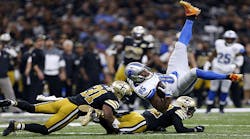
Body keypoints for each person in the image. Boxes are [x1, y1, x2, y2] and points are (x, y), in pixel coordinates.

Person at [124, 1, 243, 113]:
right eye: (143, 73)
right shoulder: (143, 88)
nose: (146, 71)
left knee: (179, 45)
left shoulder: (134, 78)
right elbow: (161, 108)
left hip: (173, 74)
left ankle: (191, 16)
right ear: (138, 78)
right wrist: (168, 94)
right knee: (194, 71)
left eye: (144, 70)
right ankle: (229, 77)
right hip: (178, 87)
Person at [0, 81, 132, 136]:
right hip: (72, 109)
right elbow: (108, 115)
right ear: (119, 92)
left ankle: (12, 102)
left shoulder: (103, 86)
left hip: (65, 100)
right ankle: (16, 125)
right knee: (46, 129)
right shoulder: (113, 97)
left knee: (32, 108)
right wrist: (115, 125)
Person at [83, 96, 204, 133]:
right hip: (141, 123)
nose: (190, 111)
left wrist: (157, 127)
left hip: (137, 115)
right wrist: (195, 129)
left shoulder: (170, 107)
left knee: (114, 120)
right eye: (190, 109)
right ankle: (97, 116)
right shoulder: (176, 113)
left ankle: (98, 114)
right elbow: (180, 129)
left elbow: (157, 117)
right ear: (183, 106)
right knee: (116, 130)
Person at [204, 30, 245, 113]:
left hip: (228, 70)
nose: (229, 40)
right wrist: (208, 62)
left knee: (225, 89)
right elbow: (214, 53)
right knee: (213, 88)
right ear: (224, 38)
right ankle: (209, 107)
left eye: (231, 39)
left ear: (234, 39)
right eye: (228, 38)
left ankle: (221, 108)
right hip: (217, 68)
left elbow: (240, 58)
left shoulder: (237, 47)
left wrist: (236, 66)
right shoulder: (219, 43)